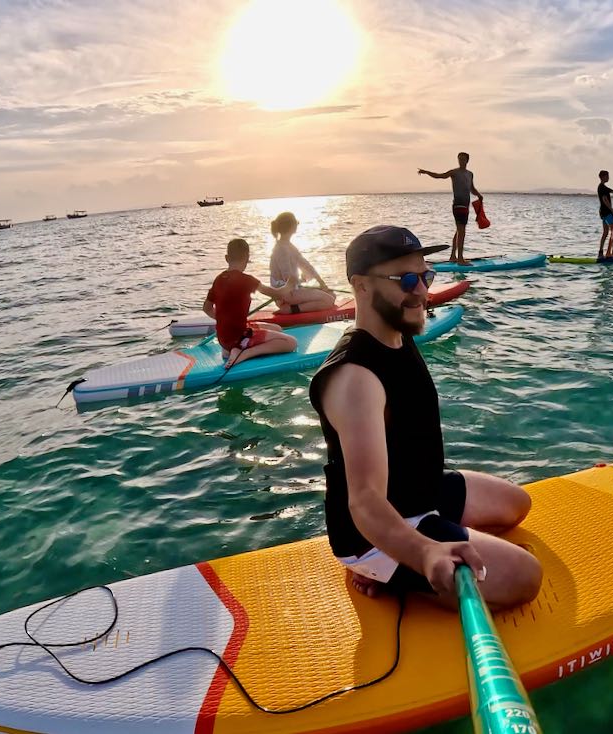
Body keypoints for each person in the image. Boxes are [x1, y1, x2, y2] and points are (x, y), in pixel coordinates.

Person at [309, 225, 541, 609]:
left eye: (425, 276)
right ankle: (375, 567)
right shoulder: (354, 377)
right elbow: (364, 501)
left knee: (516, 504)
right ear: (361, 286)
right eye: (406, 279)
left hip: (418, 491)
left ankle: (423, 550)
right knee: (523, 576)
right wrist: (424, 552)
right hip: (375, 528)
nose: (422, 290)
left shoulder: (397, 334)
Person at [203, 238, 298, 368]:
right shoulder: (247, 280)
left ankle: (229, 350)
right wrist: (290, 284)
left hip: (223, 339)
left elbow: (206, 308)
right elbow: (276, 293)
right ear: (247, 258)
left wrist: (224, 320)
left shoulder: (218, 279)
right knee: (291, 342)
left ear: (226, 258)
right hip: (239, 338)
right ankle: (245, 352)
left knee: (277, 329)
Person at [417, 152, 483, 265]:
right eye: (459, 159)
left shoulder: (470, 174)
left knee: (459, 230)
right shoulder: (454, 172)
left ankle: (453, 256)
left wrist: (478, 195)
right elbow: (440, 176)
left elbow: (471, 188)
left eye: (463, 159)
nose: (461, 161)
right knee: (462, 231)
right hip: (458, 204)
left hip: (466, 205)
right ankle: (460, 259)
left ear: (467, 160)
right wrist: (426, 172)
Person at [269, 212, 337, 314]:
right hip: (286, 294)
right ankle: (290, 309)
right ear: (291, 226)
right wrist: (301, 281)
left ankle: (292, 306)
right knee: (328, 300)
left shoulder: (289, 246)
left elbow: (306, 265)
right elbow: (287, 278)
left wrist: (322, 284)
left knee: (332, 295)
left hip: (291, 291)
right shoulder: (281, 249)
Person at [597, 170, 613, 258]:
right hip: (607, 213)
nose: (608, 178)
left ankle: (600, 253)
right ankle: (608, 253)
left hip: (603, 213)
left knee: (605, 233)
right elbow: (605, 200)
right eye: (607, 176)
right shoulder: (602, 188)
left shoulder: (602, 187)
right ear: (603, 177)